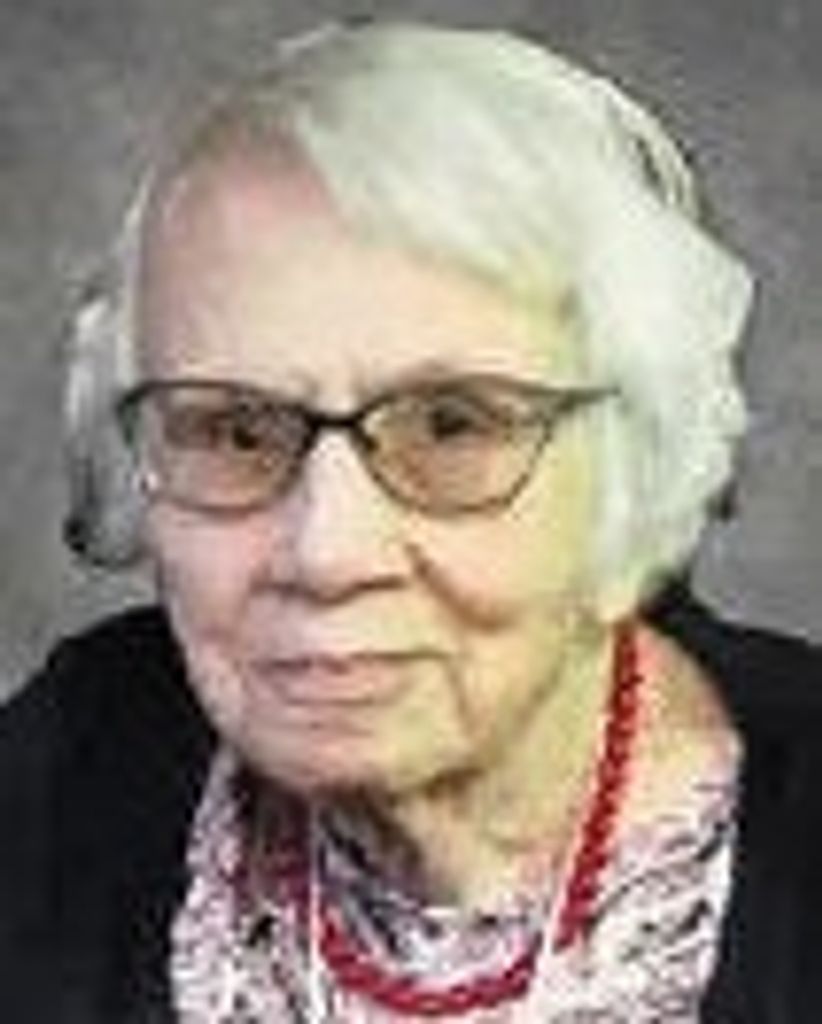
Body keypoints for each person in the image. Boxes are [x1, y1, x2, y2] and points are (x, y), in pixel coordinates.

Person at [2, 19, 822, 1023]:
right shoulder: (65, 771)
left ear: (639, 462)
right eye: (235, 429)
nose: (326, 553)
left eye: (451, 424)